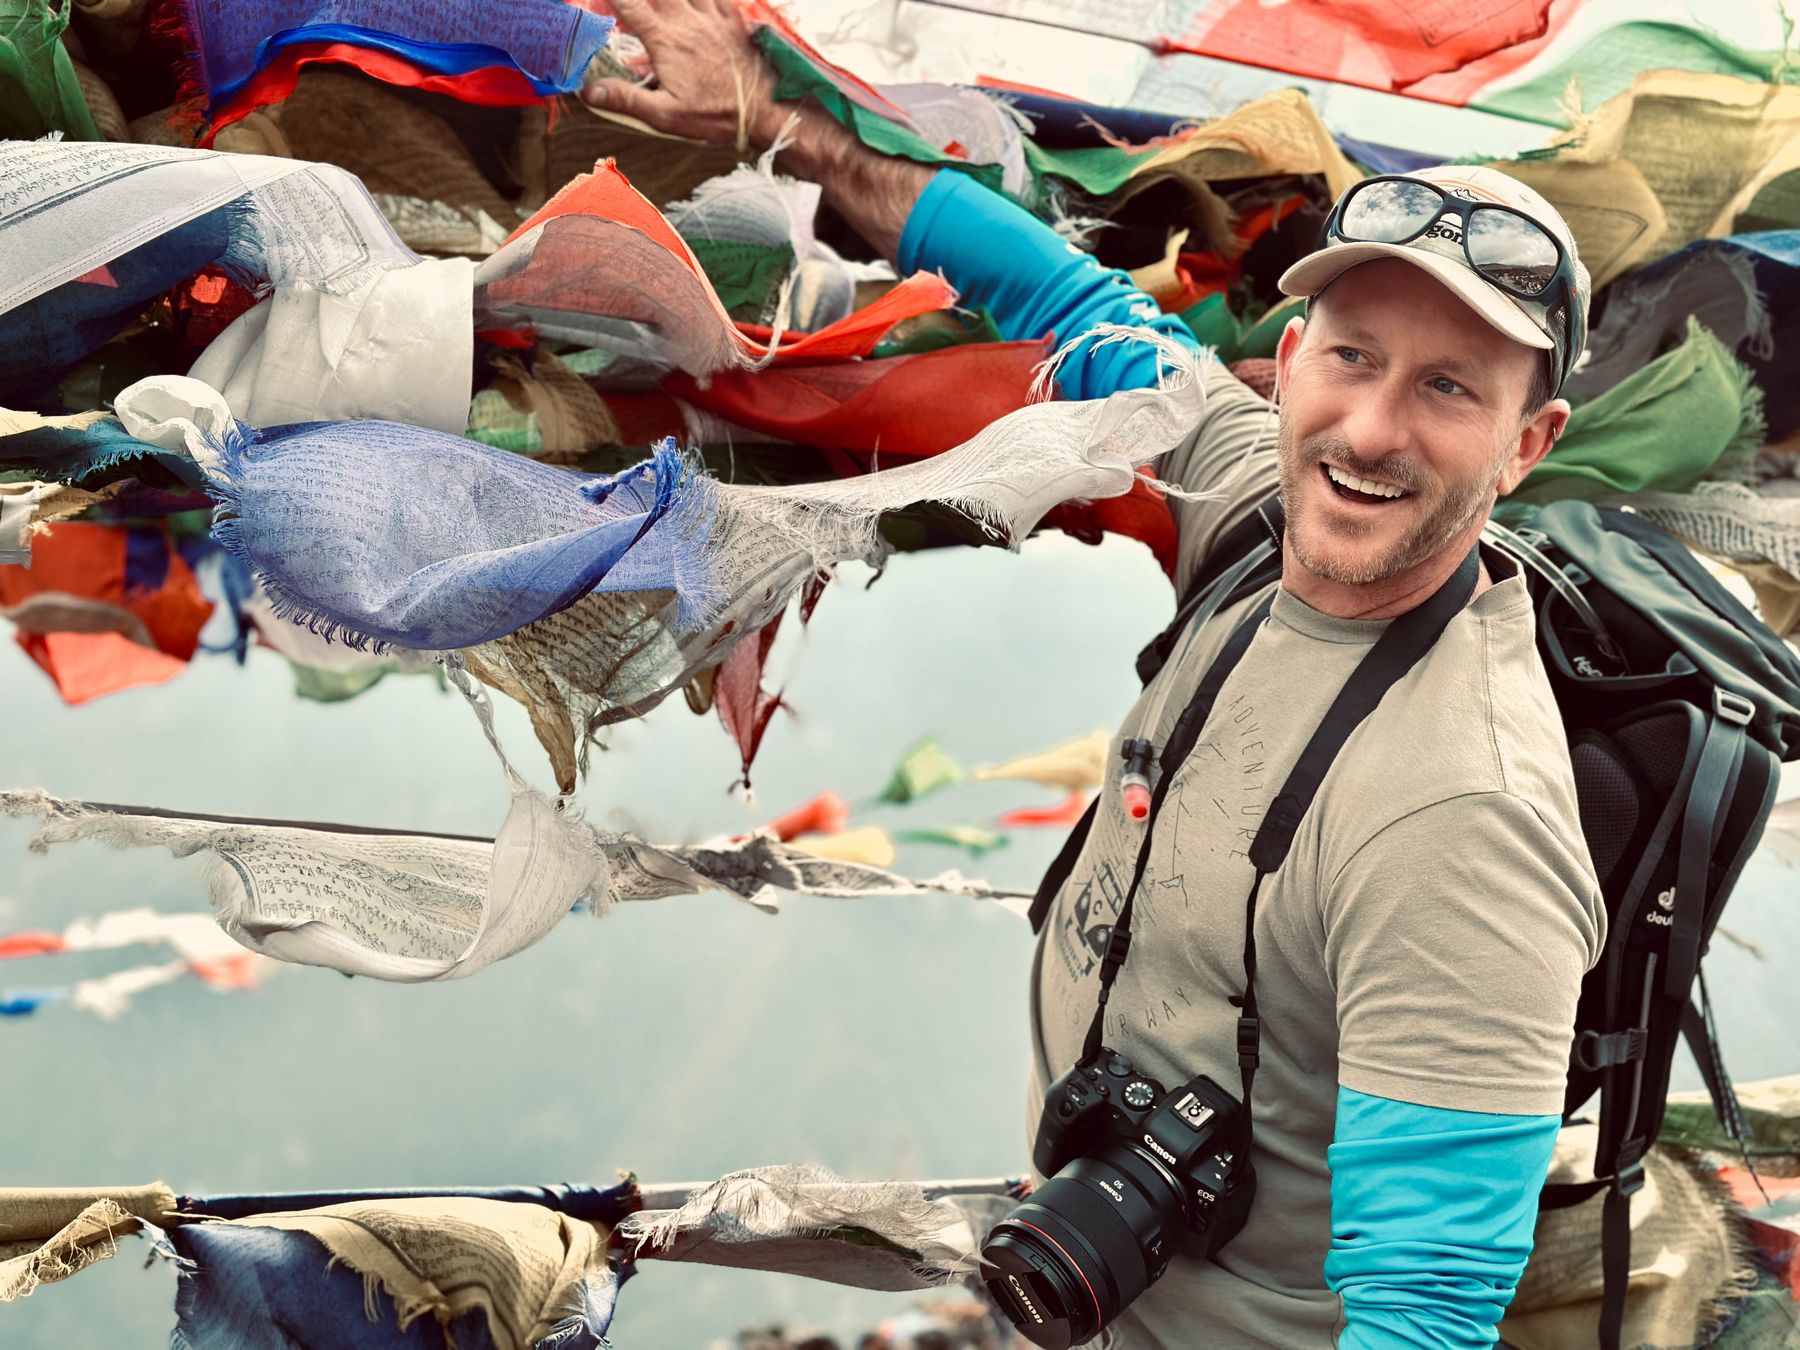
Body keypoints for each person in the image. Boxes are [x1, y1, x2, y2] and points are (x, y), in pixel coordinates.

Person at [584, 4, 1606, 1345]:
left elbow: (1427, 1313)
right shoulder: (1259, 511)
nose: (1370, 427)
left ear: (1527, 443)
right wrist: (788, 128)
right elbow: (1073, 302)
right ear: (1288, 363)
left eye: (1449, 390)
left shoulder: (1463, 818)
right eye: (1353, 356)